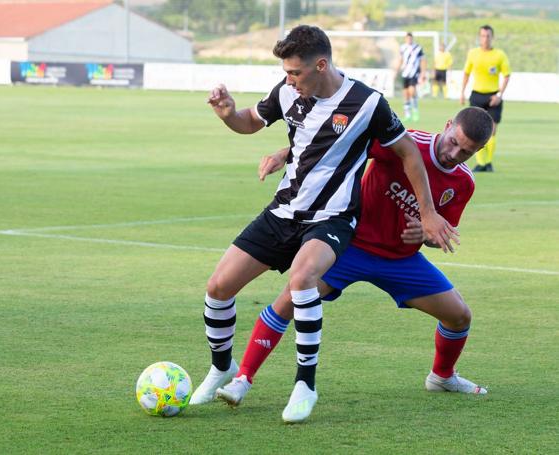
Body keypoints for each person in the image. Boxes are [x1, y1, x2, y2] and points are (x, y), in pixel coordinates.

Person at [191, 25, 458, 424]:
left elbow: (408, 154)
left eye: (295, 72)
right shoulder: (288, 92)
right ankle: (222, 367)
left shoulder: (368, 103)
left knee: (302, 280)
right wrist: (229, 114)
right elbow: (250, 121)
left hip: (332, 218)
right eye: (285, 72)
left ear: (321, 65)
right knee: (218, 287)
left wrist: (428, 211)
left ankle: (305, 384)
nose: (288, 79)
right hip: (283, 211)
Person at [215, 107, 494, 410]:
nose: (454, 153)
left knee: (460, 316)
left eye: (466, 151)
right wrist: (285, 152)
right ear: (448, 124)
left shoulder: (464, 183)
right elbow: (339, 143)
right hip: (349, 245)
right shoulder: (405, 142)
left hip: (400, 261)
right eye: (454, 141)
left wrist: (426, 237)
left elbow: (439, 234)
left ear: (480, 150)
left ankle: (442, 377)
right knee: (289, 300)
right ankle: (242, 378)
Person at [460, 25, 510, 173]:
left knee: (492, 131)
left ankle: (488, 162)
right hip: (477, 95)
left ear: (492, 37)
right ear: (479, 37)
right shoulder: (473, 54)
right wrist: (462, 92)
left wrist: (499, 95)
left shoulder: (499, 55)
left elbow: (507, 75)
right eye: (482, 36)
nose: (485, 39)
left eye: (488, 36)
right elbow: (466, 73)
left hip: (493, 96)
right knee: (476, 130)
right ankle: (481, 163)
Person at [396, 32, 426, 122]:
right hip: (405, 73)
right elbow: (401, 59)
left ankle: (415, 110)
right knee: (406, 94)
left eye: (410, 38)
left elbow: (423, 60)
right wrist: (396, 70)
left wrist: (423, 72)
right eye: (407, 38)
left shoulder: (417, 48)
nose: (409, 40)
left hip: (414, 73)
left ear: (412, 39)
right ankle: (407, 114)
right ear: (405, 39)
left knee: (412, 91)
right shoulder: (402, 47)